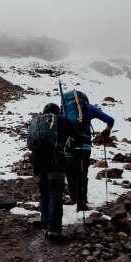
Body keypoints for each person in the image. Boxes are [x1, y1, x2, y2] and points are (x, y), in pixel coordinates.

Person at [28, 103, 80, 240]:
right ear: (58, 111)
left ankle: (45, 226)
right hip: (55, 158)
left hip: (36, 160)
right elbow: (77, 137)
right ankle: (55, 230)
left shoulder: (36, 122)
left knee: (44, 193)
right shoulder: (62, 119)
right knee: (56, 191)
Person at [61, 89, 114, 211]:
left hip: (69, 145)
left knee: (70, 172)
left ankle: (73, 198)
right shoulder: (88, 108)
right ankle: (82, 202)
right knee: (82, 173)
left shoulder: (65, 108)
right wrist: (107, 130)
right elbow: (110, 120)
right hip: (84, 146)